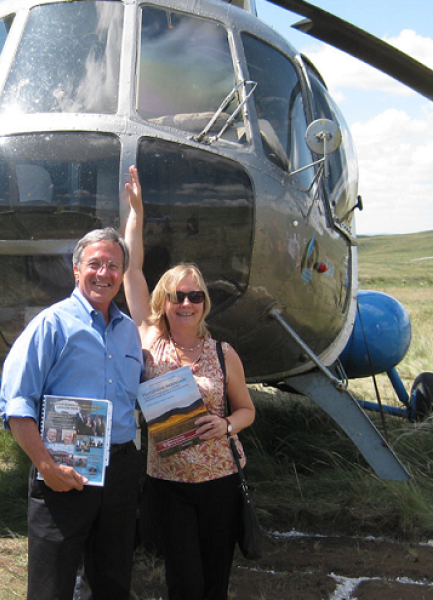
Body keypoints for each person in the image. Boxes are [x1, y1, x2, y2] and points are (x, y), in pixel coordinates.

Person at [123, 165, 256, 600]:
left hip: (220, 481)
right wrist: (137, 215)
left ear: (204, 303)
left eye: (195, 296)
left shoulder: (223, 353)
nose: (186, 303)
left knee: (215, 581)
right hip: (168, 485)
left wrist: (228, 425)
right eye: (178, 295)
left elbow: (247, 409)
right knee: (185, 581)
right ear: (164, 301)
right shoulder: (150, 338)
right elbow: (133, 269)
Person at [0, 227, 144, 600]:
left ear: (122, 274)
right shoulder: (51, 325)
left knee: (112, 582)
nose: (104, 273)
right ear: (76, 270)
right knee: (52, 585)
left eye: (113, 266)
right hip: (63, 475)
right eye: (94, 263)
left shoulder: (129, 333)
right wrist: (47, 467)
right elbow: (17, 403)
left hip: (121, 473)